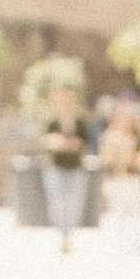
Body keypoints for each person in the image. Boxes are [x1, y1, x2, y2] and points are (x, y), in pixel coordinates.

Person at [40, 85, 96, 254]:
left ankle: (69, 234)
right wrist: (56, 142)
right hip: (56, 167)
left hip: (75, 167)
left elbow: (86, 142)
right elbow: (44, 141)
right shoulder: (51, 121)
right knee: (57, 202)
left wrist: (73, 144)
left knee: (73, 203)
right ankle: (62, 234)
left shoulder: (79, 121)